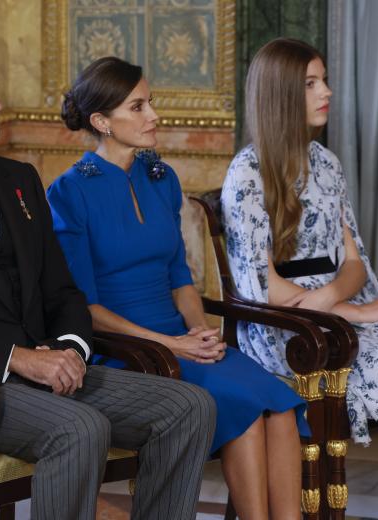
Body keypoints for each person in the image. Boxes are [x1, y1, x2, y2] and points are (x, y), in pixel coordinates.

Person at [0, 36, 215, 520]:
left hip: (51, 369)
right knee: (81, 429)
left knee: (190, 407)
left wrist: (70, 348)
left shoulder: (18, 179)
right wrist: (16, 359)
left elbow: (62, 289)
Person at [46, 56, 310, 519]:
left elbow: (181, 277)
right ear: (101, 122)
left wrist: (200, 333)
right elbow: (84, 309)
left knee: (281, 405)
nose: (154, 117)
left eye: (152, 103)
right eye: (138, 107)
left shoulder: (160, 177)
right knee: (244, 410)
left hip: (181, 339)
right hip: (126, 350)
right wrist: (172, 344)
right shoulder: (69, 193)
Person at [222, 37, 378, 517]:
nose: (326, 91)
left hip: (328, 311)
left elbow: (352, 262)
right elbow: (259, 286)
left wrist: (336, 300)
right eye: (310, 83)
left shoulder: (328, 164)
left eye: (323, 79)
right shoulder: (247, 173)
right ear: (282, 93)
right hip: (283, 328)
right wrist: (350, 311)